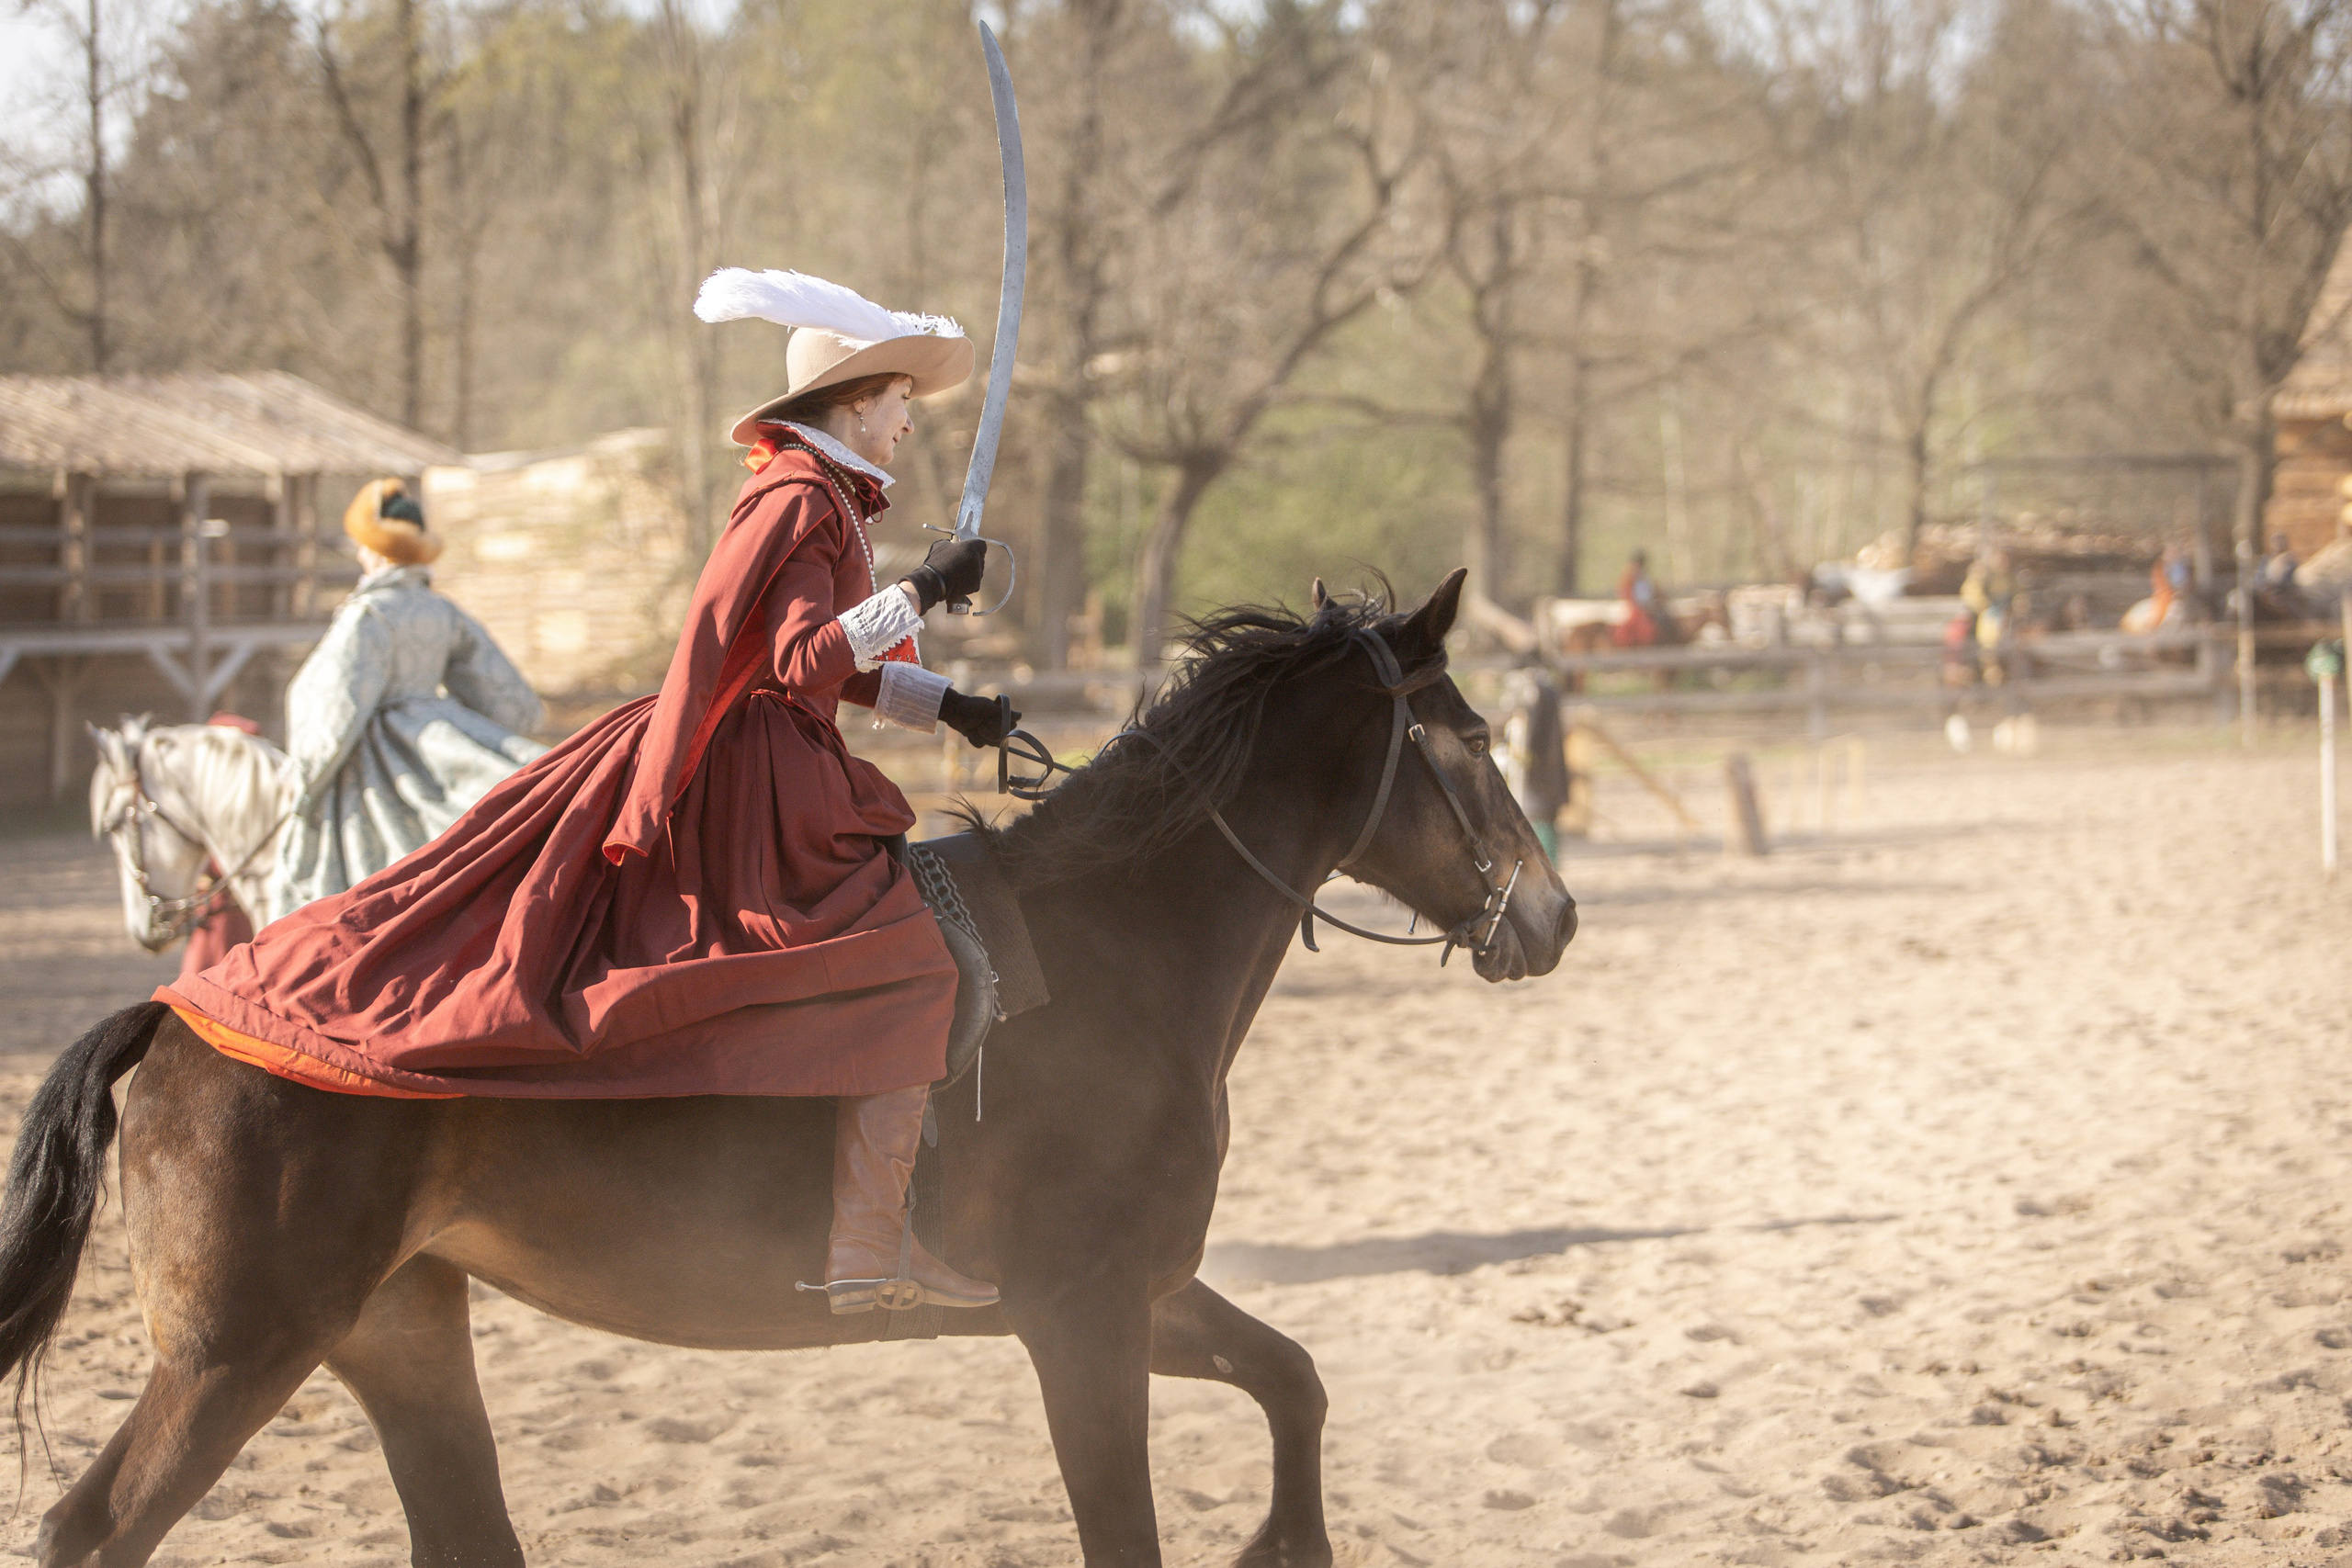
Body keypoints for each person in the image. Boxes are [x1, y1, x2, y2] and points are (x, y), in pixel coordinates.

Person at [162, 268, 1015, 1316]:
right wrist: (924, 588)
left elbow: (830, 666)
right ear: (854, 399)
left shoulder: (820, 492)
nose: (907, 424)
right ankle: (865, 1248)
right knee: (905, 968)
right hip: (760, 778)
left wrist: (952, 706)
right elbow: (801, 663)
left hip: (776, 758)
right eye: (898, 404)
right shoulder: (802, 495)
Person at [268, 480, 547, 920]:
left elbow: (338, 704)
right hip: (438, 730)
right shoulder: (442, 610)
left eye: (363, 546)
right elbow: (505, 696)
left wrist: (304, 777)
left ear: (376, 551)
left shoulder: (368, 614)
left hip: (379, 750)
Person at [1612, 550, 1660, 649]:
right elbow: (1625, 594)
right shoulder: (1629, 579)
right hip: (1635, 609)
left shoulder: (1645, 579)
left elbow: (1653, 593)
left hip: (1648, 608)